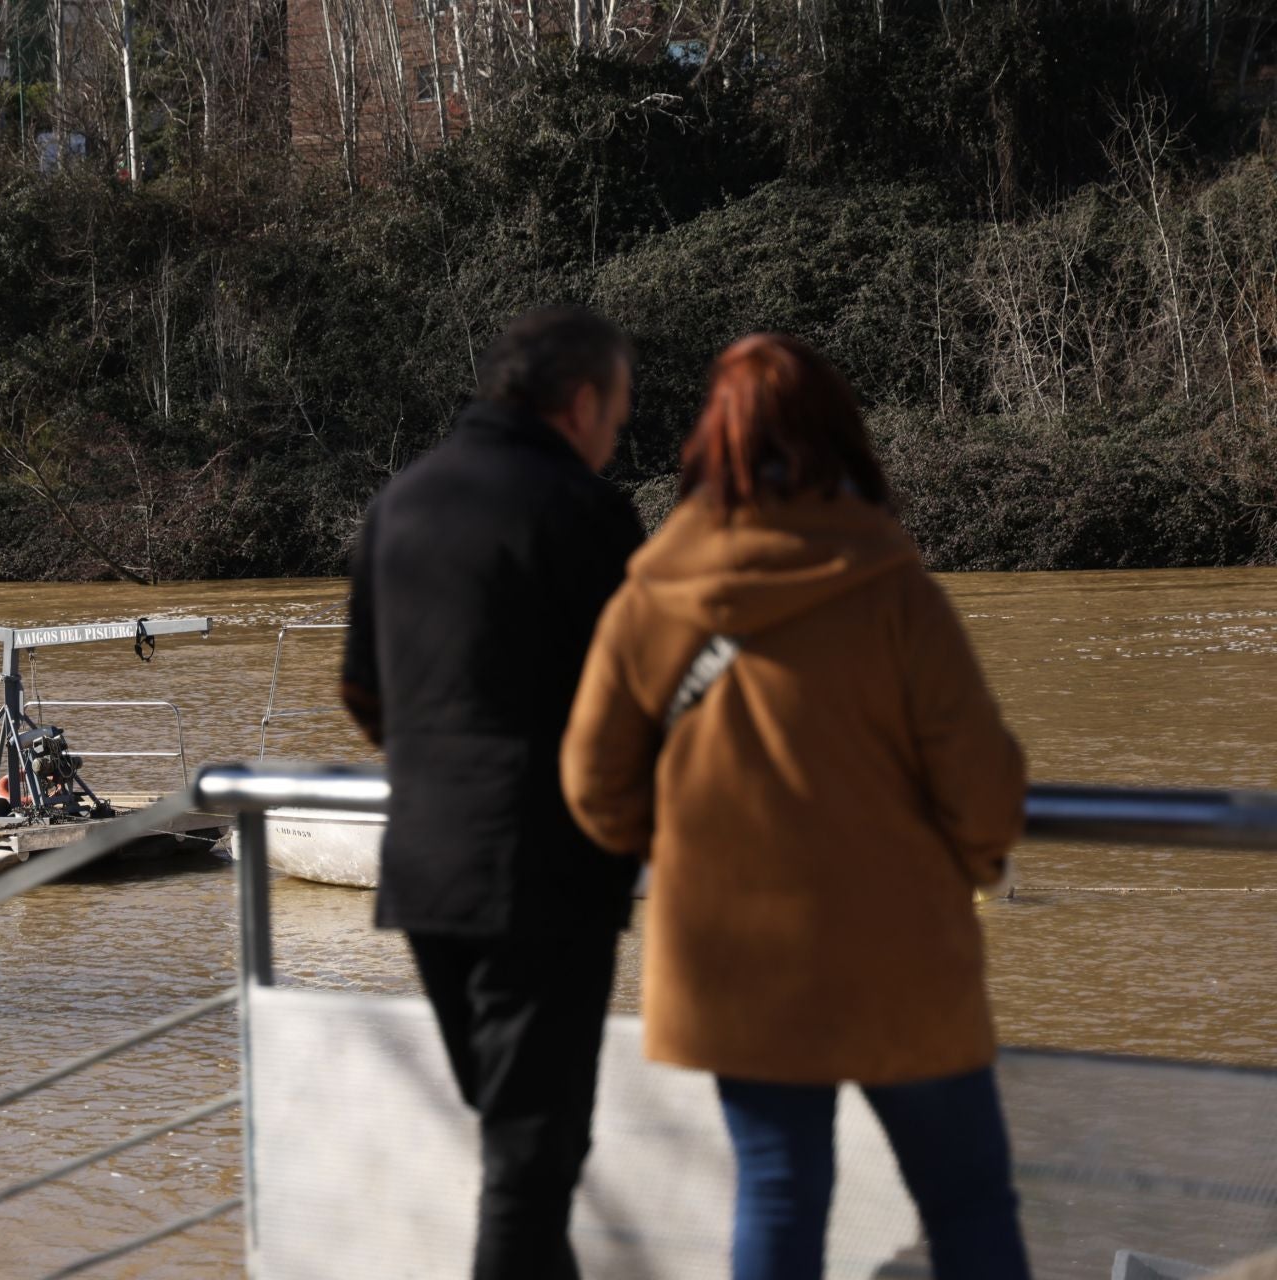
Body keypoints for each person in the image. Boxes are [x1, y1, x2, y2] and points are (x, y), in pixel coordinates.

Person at [559, 333, 1030, 1280]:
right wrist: (971, 871)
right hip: (904, 954)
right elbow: (983, 784)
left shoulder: (652, 599)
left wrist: (684, 856)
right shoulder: (893, 588)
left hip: (734, 960)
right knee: (968, 1200)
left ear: (708, 441)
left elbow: (593, 787)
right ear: (841, 435)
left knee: (778, 1193)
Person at [340, 304, 645, 1279]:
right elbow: (639, 698)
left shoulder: (402, 500)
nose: (616, 434)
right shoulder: (586, 510)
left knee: (527, 1147)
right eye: (618, 411)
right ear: (583, 400)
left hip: (426, 870)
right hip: (541, 878)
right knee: (529, 1161)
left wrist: (436, 766)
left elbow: (360, 688)